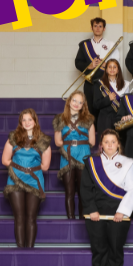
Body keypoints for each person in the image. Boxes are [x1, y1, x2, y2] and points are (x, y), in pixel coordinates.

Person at [80, 129, 133, 266]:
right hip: (96, 214)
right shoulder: (91, 162)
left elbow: (132, 189)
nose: (110, 145)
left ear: (118, 144)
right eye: (106, 142)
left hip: (118, 214)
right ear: (101, 145)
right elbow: (85, 188)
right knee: (99, 249)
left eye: (113, 142)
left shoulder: (128, 163)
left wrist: (123, 211)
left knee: (115, 249)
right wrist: (91, 209)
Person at [2, 109, 53, 248]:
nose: (27, 122)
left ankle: (29, 250)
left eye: (29, 119)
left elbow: (45, 166)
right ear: (20, 122)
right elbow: (5, 160)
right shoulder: (13, 137)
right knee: (19, 218)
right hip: (15, 180)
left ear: (35, 121)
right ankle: (20, 250)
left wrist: (29, 169)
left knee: (31, 218)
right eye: (24, 120)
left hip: (34, 181)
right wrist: (20, 169)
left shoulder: (43, 140)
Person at [54, 91, 96, 220]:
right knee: (70, 192)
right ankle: (71, 220)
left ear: (83, 105)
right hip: (67, 157)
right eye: (74, 101)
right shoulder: (60, 119)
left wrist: (78, 143)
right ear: (69, 101)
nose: (77, 104)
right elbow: (57, 142)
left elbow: (92, 142)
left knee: (83, 192)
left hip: (83, 156)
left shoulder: (89, 119)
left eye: (80, 102)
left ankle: (83, 220)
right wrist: (71, 143)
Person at [75, 17, 122, 113]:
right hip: (90, 83)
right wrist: (90, 66)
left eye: (100, 26)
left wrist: (107, 64)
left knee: (104, 108)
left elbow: (117, 62)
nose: (97, 28)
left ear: (104, 29)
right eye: (95, 26)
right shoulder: (84, 45)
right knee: (89, 110)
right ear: (91, 27)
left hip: (105, 82)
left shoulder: (110, 44)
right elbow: (78, 62)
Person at [92, 59, 128, 143]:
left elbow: (127, 103)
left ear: (118, 69)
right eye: (110, 67)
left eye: (114, 67)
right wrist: (108, 99)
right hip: (105, 119)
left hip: (119, 118)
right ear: (106, 69)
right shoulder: (99, 84)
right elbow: (95, 104)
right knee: (105, 144)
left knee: (119, 144)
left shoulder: (126, 84)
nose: (112, 69)